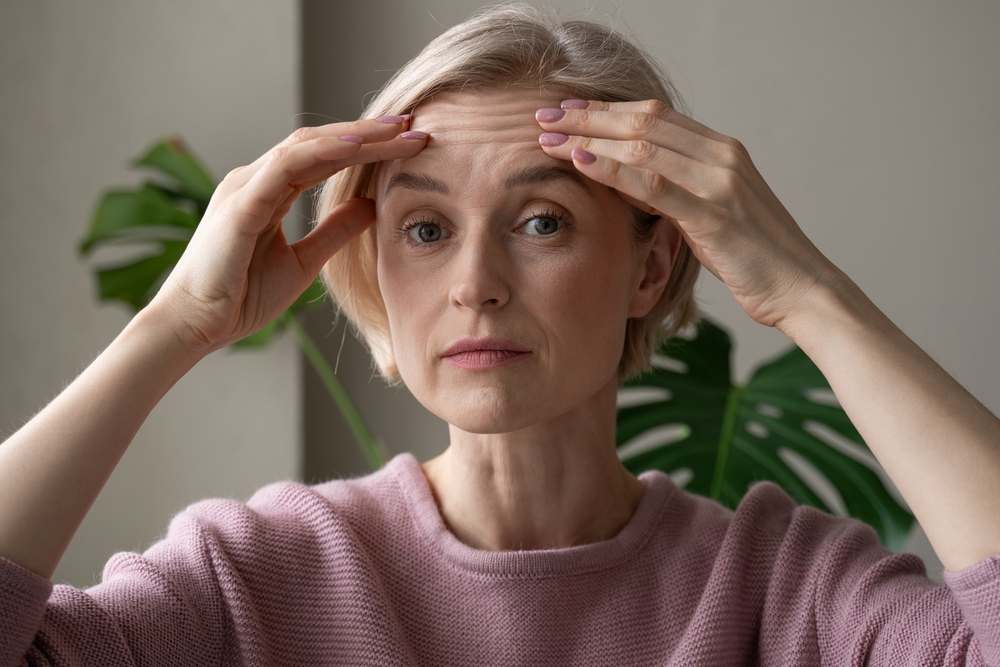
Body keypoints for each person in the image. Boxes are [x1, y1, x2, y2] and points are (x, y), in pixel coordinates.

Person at [2, 4, 999, 665]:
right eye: (426, 230)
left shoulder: (786, 589)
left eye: (541, 222)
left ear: (649, 266)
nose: (474, 286)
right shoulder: (255, 574)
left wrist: (810, 294)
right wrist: (175, 325)